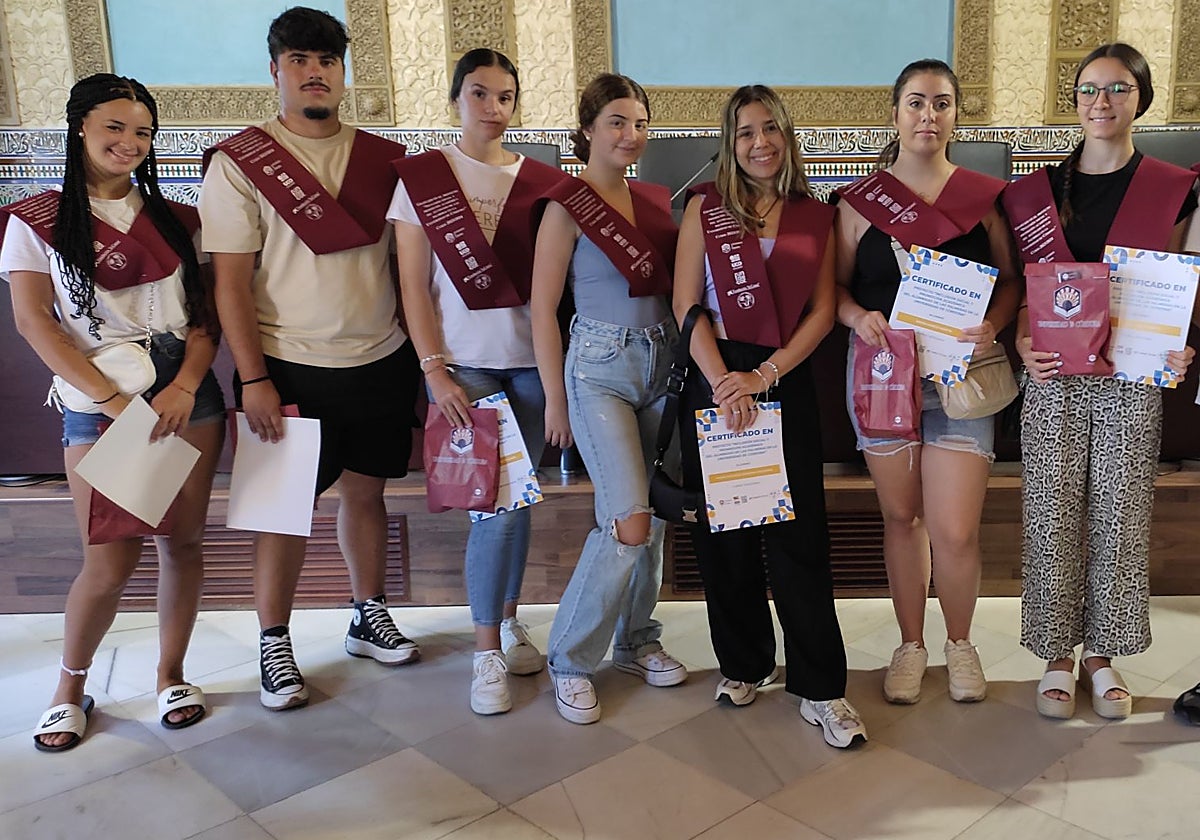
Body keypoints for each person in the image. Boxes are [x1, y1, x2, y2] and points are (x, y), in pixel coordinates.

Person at [200, 7, 420, 711]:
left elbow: (410, 269)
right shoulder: (242, 162)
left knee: (367, 494)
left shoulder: (385, 161)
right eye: (299, 59)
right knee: (282, 512)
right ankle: (274, 641)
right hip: (286, 365)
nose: (315, 70)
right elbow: (229, 281)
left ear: (342, 71)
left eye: (326, 59)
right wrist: (255, 379)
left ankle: (367, 611)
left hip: (378, 359)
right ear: (276, 71)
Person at [1, 74, 224, 750]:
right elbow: (37, 324)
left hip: (186, 393)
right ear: (79, 129)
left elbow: (205, 320)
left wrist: (186, 384)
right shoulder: (35, 221)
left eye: (143, 131)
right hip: (98, 394)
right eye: (116, 127)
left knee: (181, 543)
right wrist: (110, 403)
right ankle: (70, 686)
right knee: (109, 557)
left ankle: (170, 674)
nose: (131, 142)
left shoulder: (178, 220)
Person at [1003, 43, 1197, 720]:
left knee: (1120, 516)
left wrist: (1180, 348)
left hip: (1131, 377)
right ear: (1075, 99)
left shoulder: (1175, 187)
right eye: (1088, 90)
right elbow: (1030, 290)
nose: (1101, 103)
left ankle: (1103, 655)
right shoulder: (1037, 191)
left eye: (1116, 89)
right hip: (1056, 377)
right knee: (1052, 514)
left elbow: (1180, 283)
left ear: (1139, 98)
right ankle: (1057, 652)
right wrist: (1025, 340)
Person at [674, 84, 866, 749]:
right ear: (730, 143)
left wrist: (765, 374)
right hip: (716, 375)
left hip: (783, 374)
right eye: (747, 132)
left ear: (787, 136)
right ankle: (745, 662)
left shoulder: (816, 216)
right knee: (726, 533)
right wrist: (724, 380)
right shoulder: (705, 211)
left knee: (798, 534)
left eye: (771, 129)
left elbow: (820, 312)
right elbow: (685, 305)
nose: (761, 143)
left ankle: (820, 685)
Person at [833, 59, 1019, 706]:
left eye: (941, 104)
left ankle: (959, 644)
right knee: (901, 516)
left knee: (956, 529)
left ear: (955, 116)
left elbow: (1013, 281)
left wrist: (993, 326)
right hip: (887, 380)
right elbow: (832, 290)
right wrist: (859, 317)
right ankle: (910, 644)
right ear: (895, 114)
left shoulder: (984, 199)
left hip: (960, 383)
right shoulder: (860, 203)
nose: (928, 116)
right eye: (916, 103)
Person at [390, 48, 567, 715]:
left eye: (505, 96)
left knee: (516, 506)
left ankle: (510, 617)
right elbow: (412, 285)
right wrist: (434, 370)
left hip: (529, 363)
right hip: (465, 367)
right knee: (491, 509)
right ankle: (485, 650)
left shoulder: (542, 181)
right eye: (479, 94)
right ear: (455, 98)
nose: (493, 107)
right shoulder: (424, 181)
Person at [531, 73, 687, 725]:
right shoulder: (567, 205)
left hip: (661, 363)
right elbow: (542, 307)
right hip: (597, 367)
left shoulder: (655, 202)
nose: (632, 135)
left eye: (641, 122)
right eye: (618, 121)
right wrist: (554, 402)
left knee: (648, 518)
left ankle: (635, 640)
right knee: (625, 519)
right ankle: (570, 658)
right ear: (589, 129)